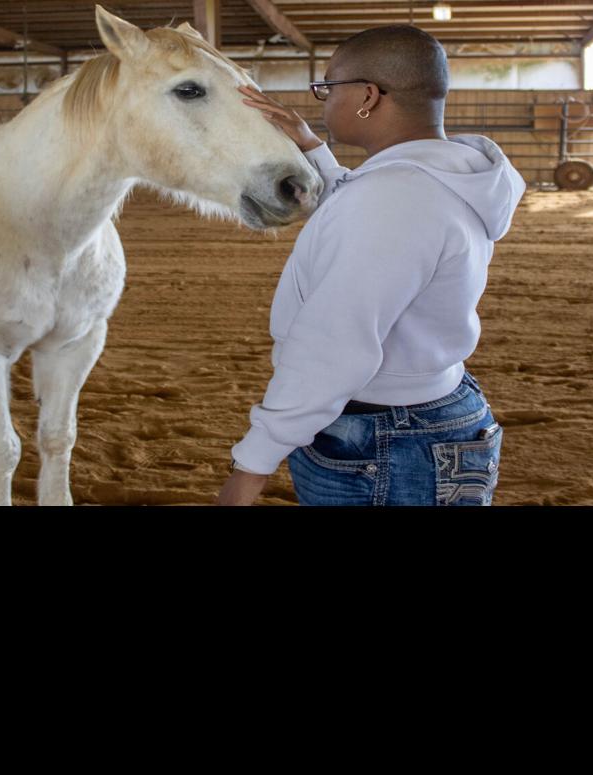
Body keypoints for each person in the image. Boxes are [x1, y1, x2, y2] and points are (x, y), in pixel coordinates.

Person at [215, 24, 526, 506]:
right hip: (428, 412)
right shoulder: (440, 176)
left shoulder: (393, 198)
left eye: (326, 87)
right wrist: (312, 147)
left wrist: (250, 469)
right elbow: (367, 208)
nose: (321, 101)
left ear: (367, 96)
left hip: (385, 439)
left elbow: (332, 347)